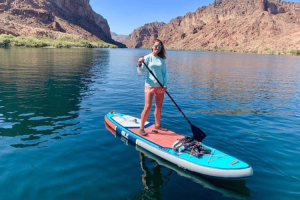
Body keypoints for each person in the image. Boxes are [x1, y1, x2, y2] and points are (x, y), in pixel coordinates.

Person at [137, 39, 168, 136]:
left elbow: (164, 74)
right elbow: (140, 72)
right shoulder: (146, 58)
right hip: (149, 86)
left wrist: (165, 84)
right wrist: (139, 63)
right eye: (156, 46)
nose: (157, 49)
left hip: (160, 87)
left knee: (159, 107)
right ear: (152, 46)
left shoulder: (162, 60)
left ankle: (157, 125)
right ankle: (141, 128)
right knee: (147, 107)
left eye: (159, 47)